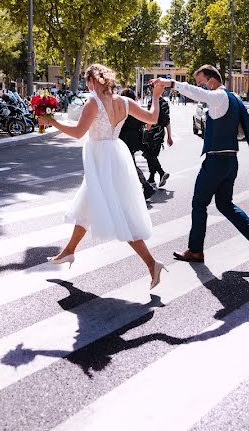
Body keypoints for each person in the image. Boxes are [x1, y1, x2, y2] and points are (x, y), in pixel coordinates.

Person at [38, 64, 167, 290]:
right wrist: (155, 96)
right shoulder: (124, 102)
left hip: (101, 160)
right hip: (116, 157)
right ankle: (68, 251)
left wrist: (53, 122)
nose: (88, 87)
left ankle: (152, 263)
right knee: (87, 205)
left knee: (120, 216)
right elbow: (154, 118)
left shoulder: (93, 102)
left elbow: (78, 133)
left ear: (92, 81)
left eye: (88, 82)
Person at [152, 65, 249, 268]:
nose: (202, 87)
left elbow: (196, 93)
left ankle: (196, 250)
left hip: (216, 160)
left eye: (202, 82)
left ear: (211, 80)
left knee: (199, 203)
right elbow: (240, 133)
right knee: (225, 204)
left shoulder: (219, 96)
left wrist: (170, 83)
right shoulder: (233, 98)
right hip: (231, 159)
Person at [118, 88, 156, 201]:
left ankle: (146, 187)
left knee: (130, 165)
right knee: (130, 164)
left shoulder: (122, 109)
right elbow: (147, 123)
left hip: (124, 140)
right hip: (134, 140)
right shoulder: (135, 109)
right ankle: (144, 187)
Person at [143, 91, 173, 187]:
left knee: (149, 154)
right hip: (160, 132)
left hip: (152, 132)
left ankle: (161, 172)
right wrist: (169, 136)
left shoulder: (151, 102)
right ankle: (152, 178)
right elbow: (167, 121)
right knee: (152, 155)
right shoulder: (165, 103)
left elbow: (150, 118)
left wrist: (147, 129)